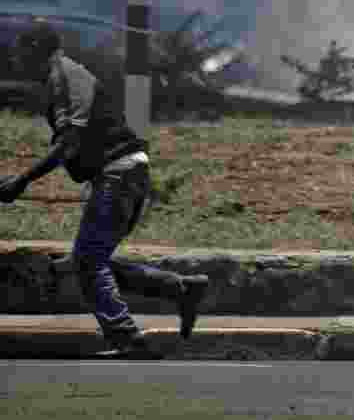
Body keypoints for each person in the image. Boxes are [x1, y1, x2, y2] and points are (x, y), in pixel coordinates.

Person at [0, 21, 209, 359]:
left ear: (35, 50)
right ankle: (180, 288)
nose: (15, 59)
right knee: (90, 259)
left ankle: (127, 339)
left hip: (120, 175)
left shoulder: (65, 77)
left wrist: (21, 181)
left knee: (87, 263)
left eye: (20, 52)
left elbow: (70, 143)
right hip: (121, 174)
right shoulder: (61, 78)